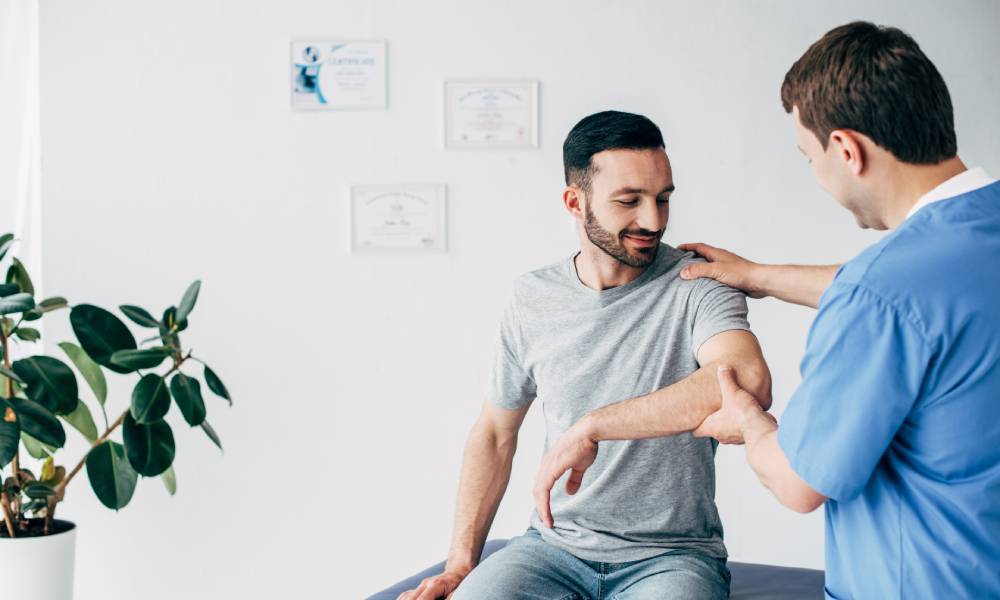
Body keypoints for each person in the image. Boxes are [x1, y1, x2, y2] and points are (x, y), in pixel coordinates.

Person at [658, 21, 1000, 599]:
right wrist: (757, 276)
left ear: (846, 149)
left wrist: (749, 420)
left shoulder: (880, 293)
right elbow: (927, 297)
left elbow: (798, 483)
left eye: (808, 157)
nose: (817, 175)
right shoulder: (961, 248)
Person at [397, 110, 771, 600]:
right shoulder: (532, 298)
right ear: (575, 202)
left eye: (662, 199)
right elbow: (494, 433)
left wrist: (592, 425)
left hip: (672, 557)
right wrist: (461, 564)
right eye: (629, 201)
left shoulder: (697, 282)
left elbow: (744, 377)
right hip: (552, 551)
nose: (653, 220)